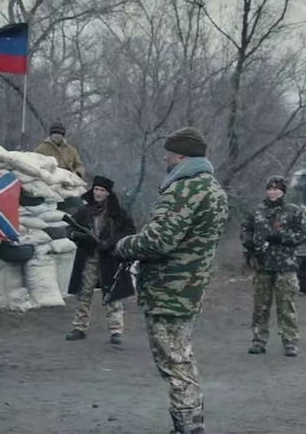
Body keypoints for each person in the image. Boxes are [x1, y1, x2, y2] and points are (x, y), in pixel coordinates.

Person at [115, 127, 228, 434]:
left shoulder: (184, 189)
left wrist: (123, 245)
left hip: (169, 290)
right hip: (190, 288)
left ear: (181, 156)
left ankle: (188, 425)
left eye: (169, 153)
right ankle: (191, 421)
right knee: (181, 355)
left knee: (175, 360)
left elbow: (158, 241)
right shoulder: (214, 189)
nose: (165, 158)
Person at [240, 175, 306, 357]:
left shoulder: (293, 211)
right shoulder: (257, 210)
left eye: (276, 189)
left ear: (283, 191)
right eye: (270, 189)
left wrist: (283, 237)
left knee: (286, 306)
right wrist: (249, 245)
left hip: (285, 266)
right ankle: (258, 341)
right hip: (262, 265)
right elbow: (246, 229)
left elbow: (303, 234)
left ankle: (290, 341)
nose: (272, 192)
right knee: (260, 306)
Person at [65, 175, 136, 345]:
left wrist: (110, 243)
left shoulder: (117, 213)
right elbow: (71, 228)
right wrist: (77, 235)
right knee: (84, 293)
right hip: (88, 257)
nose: (97, 193)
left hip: (110, 259)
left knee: (113, 295)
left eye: (102, 190)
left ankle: (116, 330)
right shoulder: (85, 211)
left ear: (108, 193)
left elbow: (129, 231)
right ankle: (79, 327)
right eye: (96, 189)